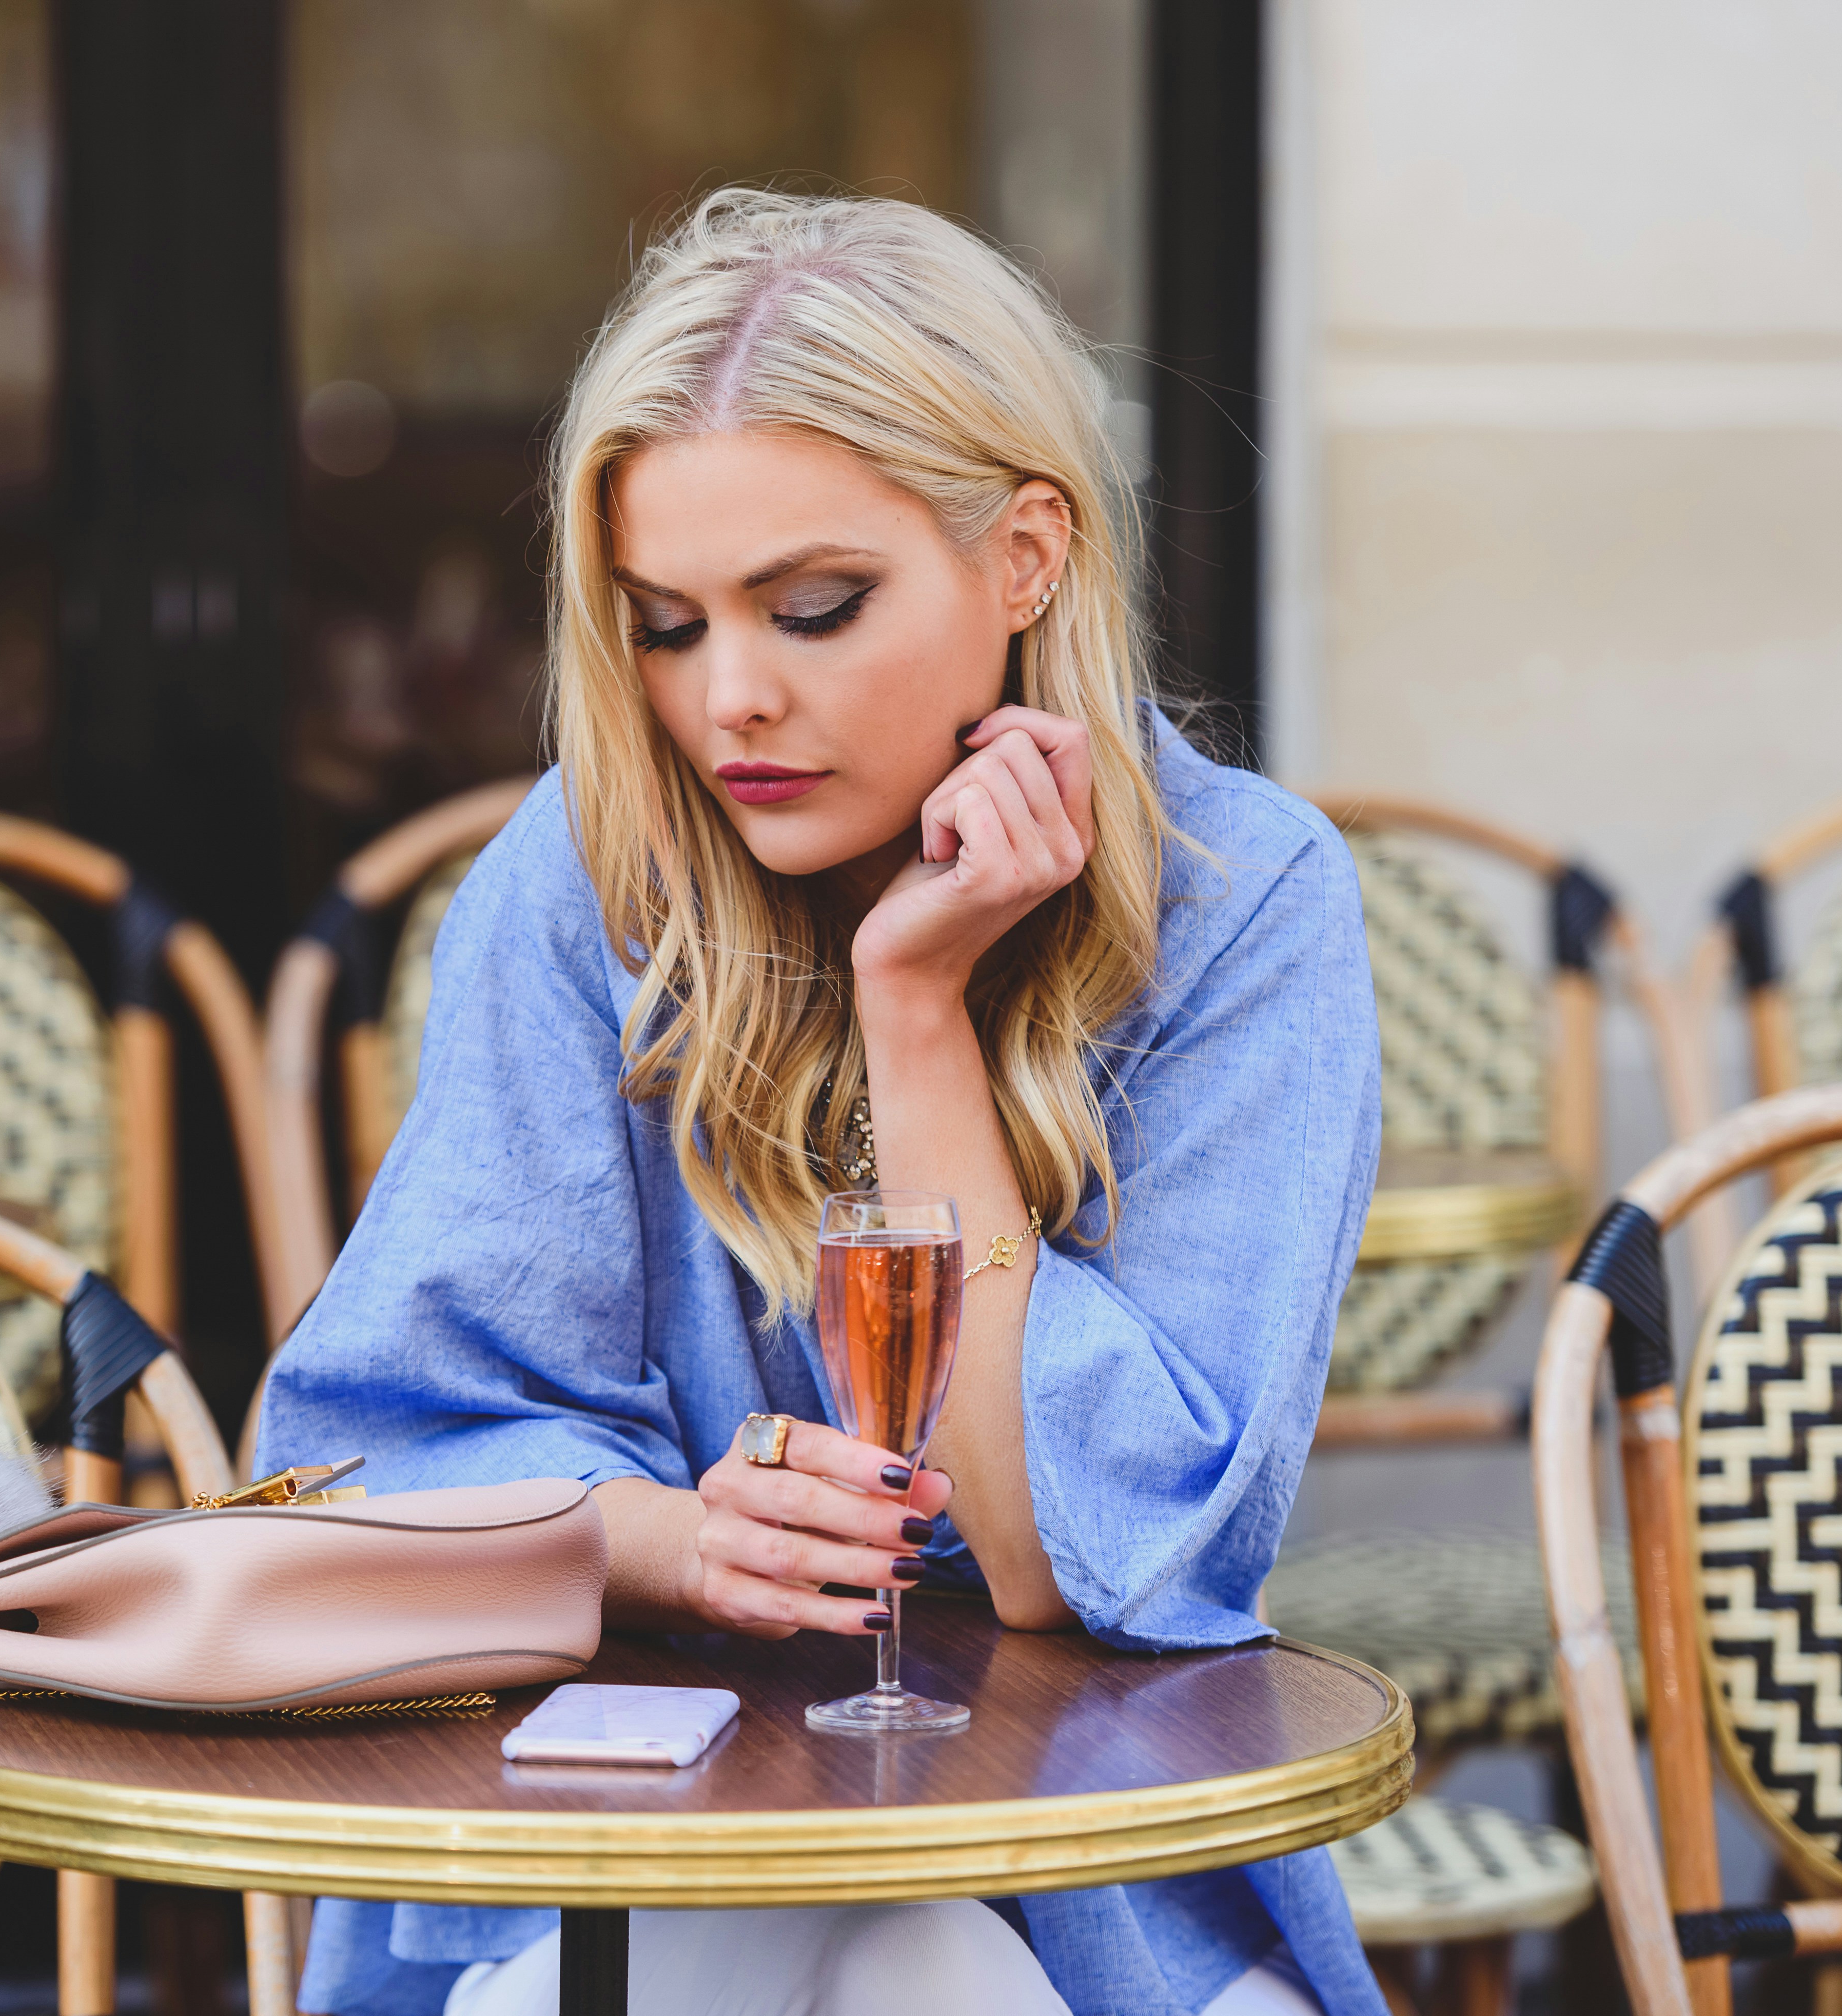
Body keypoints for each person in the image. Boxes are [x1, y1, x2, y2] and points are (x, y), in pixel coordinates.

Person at [254, 188, 1382, 2016]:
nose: (731, 704)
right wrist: (680, 1540)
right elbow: (380, 1447)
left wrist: (918, 1010)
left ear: (1026, 558)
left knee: (933, 1961)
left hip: (1086, 1883)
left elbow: (1085, 1568)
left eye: (813, 607)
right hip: (623, 1851)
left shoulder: (1246, 901)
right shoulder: (584, 881)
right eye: (667, 625)